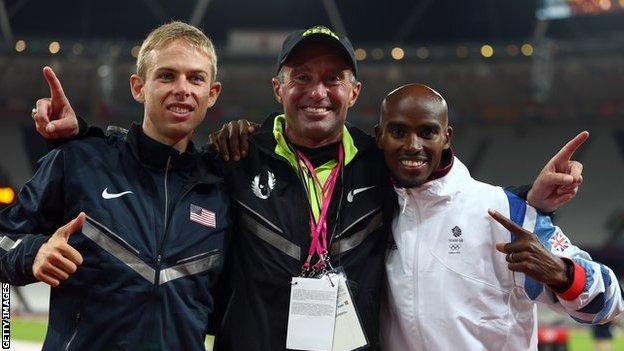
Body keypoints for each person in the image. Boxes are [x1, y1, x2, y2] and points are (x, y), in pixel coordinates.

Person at [31, 26, 584, 350]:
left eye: (331, 79)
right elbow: (157, 162)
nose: (316, 91)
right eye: (302, 77)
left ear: (353, 91)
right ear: (278, 87)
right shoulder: (235, 156)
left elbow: (445, 189)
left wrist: (528, 197)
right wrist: (87, 137)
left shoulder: (380, 160)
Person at [0, 21, 230, 350]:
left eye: (196, 78)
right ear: (138, 87)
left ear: (212, 93)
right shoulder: (80, 162)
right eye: (166, 75)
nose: (182, 88)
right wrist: (32, 252)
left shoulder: (221, 191)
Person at [376, 83, 623, 350]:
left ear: (446, 137)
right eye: (399, 131)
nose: (413, 146)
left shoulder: (505, 212)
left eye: (428, 132)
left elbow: (609, 302)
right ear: (379, 136)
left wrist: (562, 274)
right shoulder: (372, 213)